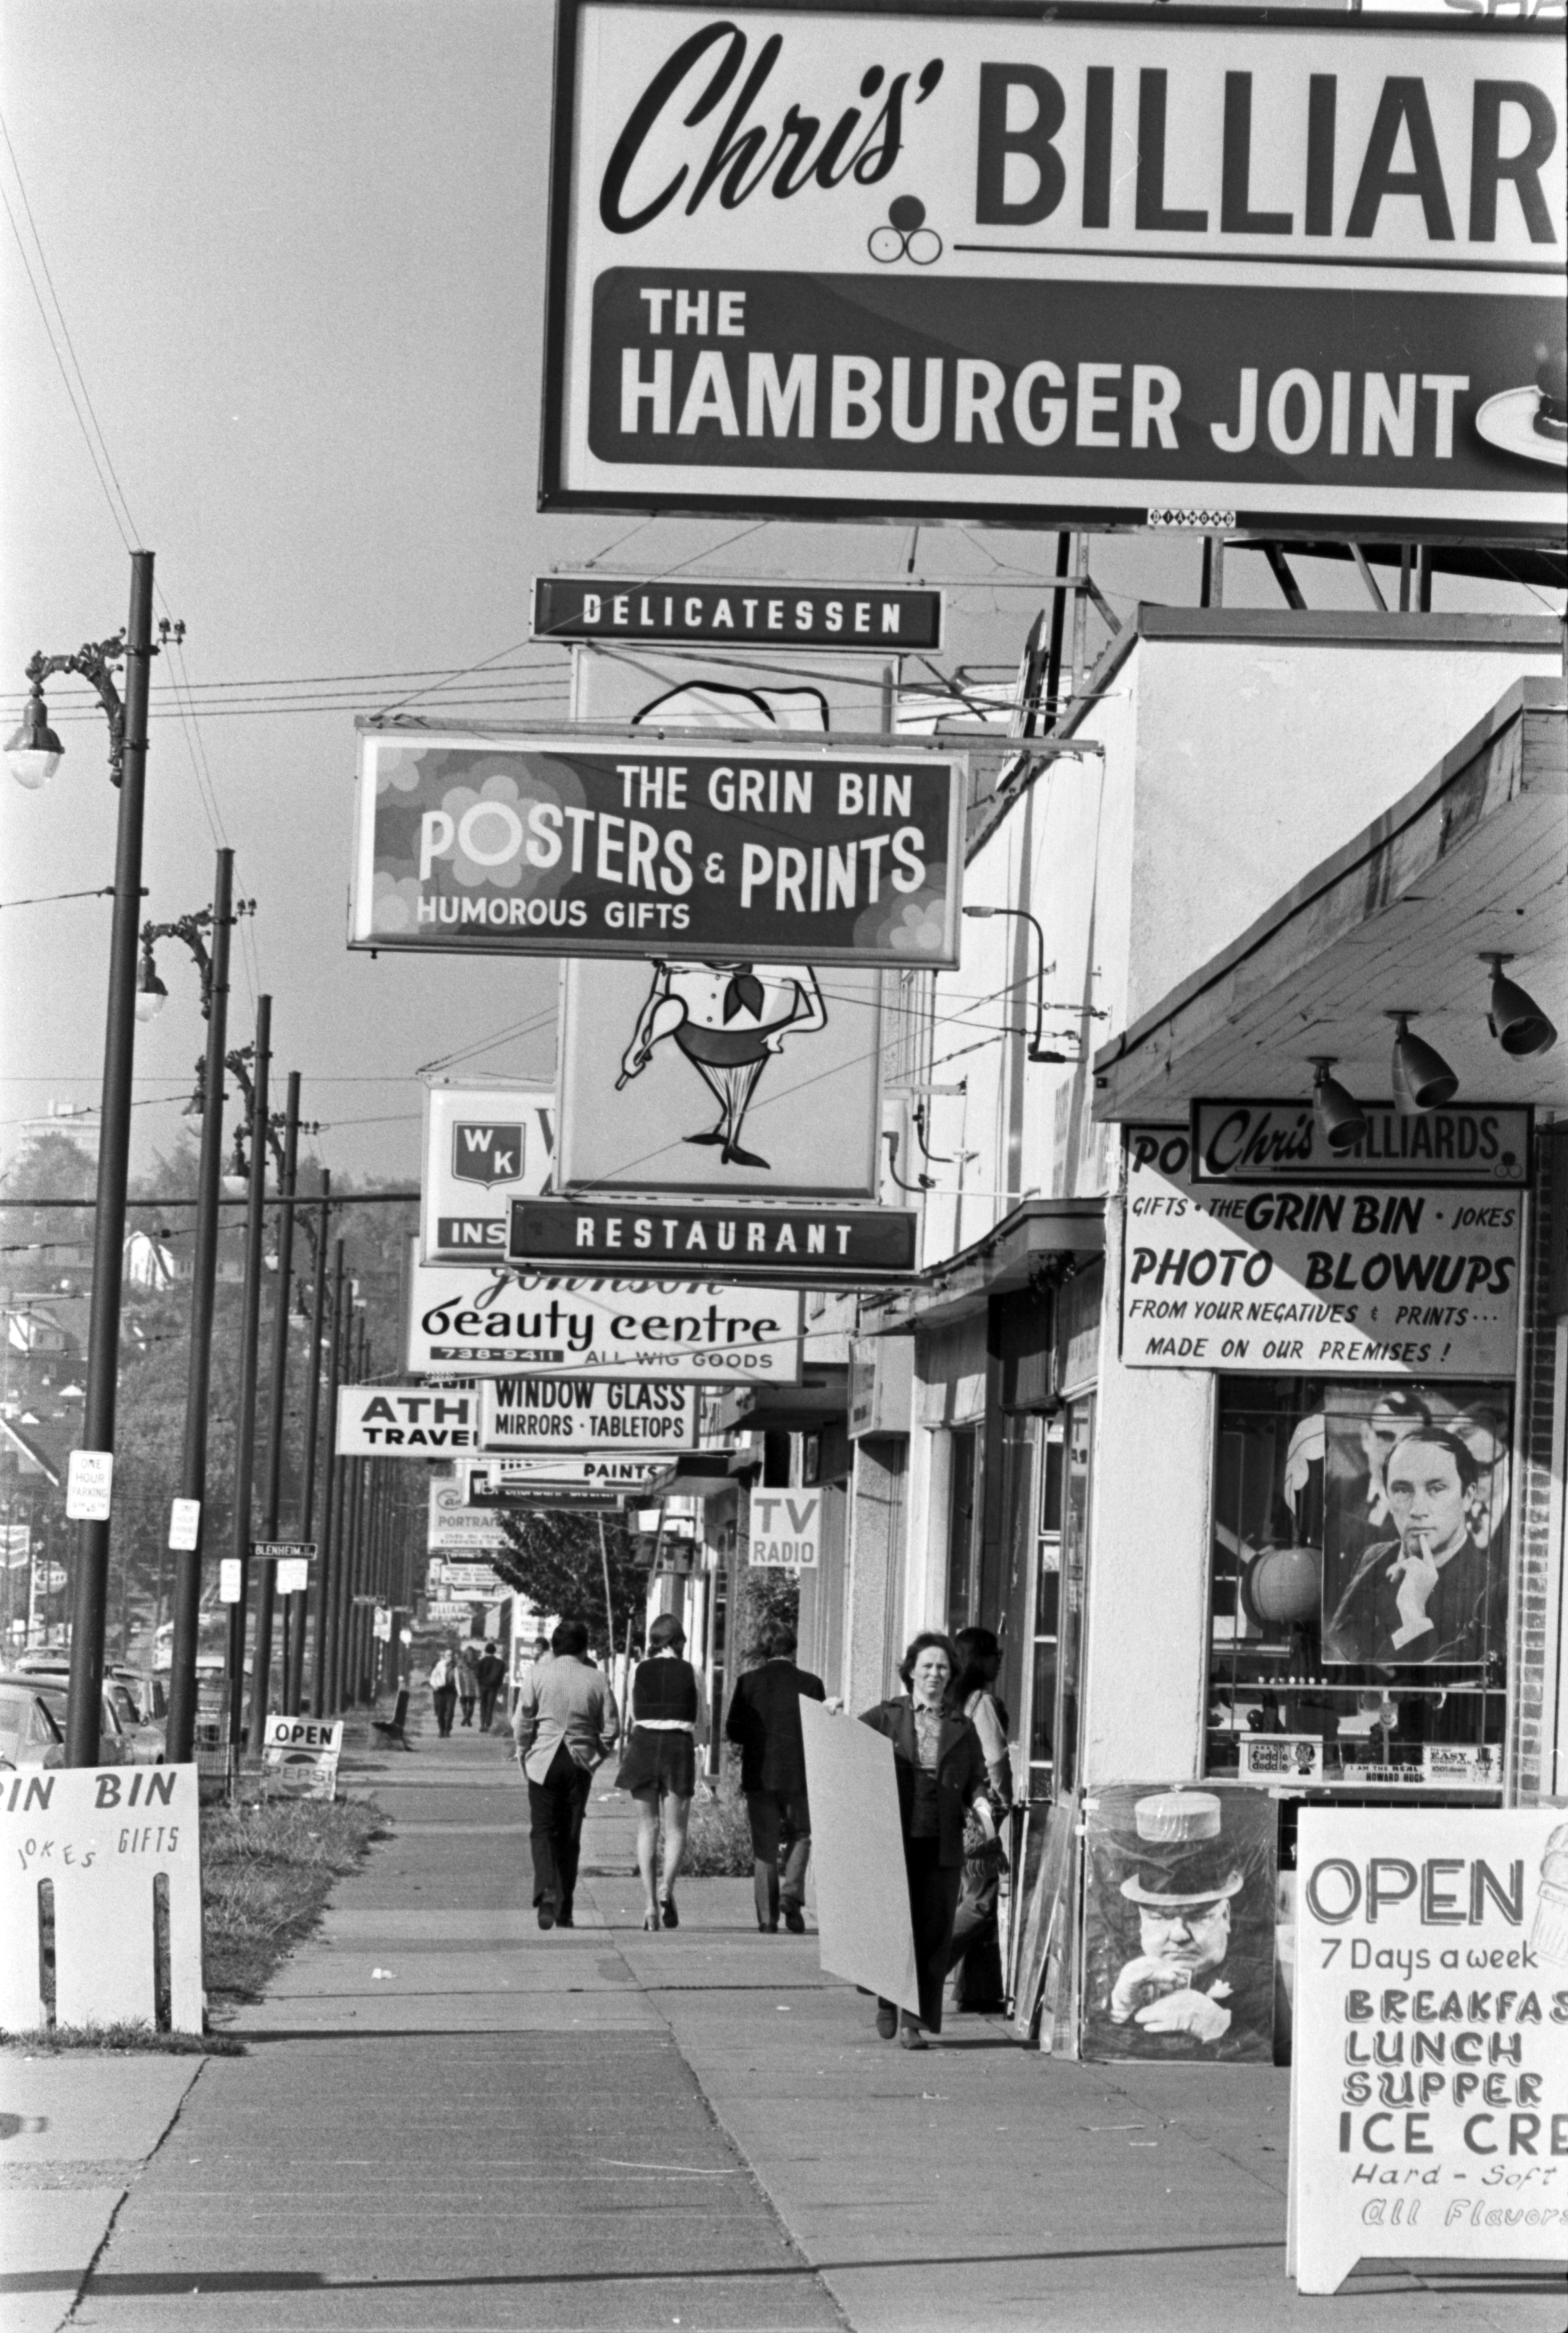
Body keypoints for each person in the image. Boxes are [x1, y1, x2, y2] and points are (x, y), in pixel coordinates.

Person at [859, 1632, 991, 2050]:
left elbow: (976, 1778)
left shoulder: (962, 1726)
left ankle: (914, 2022)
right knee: (895, 1926)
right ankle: (887, 1998)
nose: (935, 1674)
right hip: (894, 1836)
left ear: (951, 1675)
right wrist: (829, 1713)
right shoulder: (887, 1715)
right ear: (911, 1670)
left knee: (934, 1932)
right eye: (928, 1666)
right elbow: (843, 1743)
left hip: (942, 1840)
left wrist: (984, 1807)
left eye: (943, 1668)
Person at [1083, 1789, 1274, 2062]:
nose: (1179, 1935)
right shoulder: (1119, 1973)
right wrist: (1117, 2012)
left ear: (1226, 1917)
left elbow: (1290, 2056)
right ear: (1140, 1921)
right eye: (1159, 1918)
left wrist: (1219, 2027)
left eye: (1198, 1917)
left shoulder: (1259, 1982)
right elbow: (1096, 2054)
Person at [1324, 1427, 1504, 1666]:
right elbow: (1337, 1649)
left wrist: (1414, 1619)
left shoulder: (1492, 1593)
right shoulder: (1373, 1556)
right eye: (1402, 1490)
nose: (1417, 1509)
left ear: (1468, 1496)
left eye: (1436, 1489)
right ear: (1387, 1495)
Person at [512, 1617, 619, 1930]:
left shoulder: (537, 1675)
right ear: (585, 1649)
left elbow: (522, 1723)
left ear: (555, 1648)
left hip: (542, 1762)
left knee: (543, 1830)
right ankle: (565, 1910)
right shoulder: (598, 1679)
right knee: (570, 1837)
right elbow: (612, 1730)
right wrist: (595, 1760)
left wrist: (523, 1751)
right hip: (578, 1765)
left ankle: (546, 1887)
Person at [725, 1622, 825, 1933]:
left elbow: (734, 1731)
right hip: (799, 1774)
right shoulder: (811, 1684)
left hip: (760, 1775)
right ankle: (792, 1896)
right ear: (793, 1647)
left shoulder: (747, 1683)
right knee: (802, 1834)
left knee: (765, 1848)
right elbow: (820, 1731)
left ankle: (768, 1919)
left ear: (763, 1649)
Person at [616, 1612, 707, 1931]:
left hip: (643, 1744)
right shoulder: (693, 1671)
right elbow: (703, 1721)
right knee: (676, 1829)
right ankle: (667, 1887)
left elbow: (631, 1713)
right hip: (677, 1747)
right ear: (677, 1641)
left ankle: (650, 1906)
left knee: (647, 1827)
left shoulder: (638, 1670)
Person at [945, 1626, 1014, 2013]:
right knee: (980, 1902)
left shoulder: (952, 1700)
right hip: (980, 1812)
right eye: (994, 1653)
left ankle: (979, 1990)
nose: (1000, 1659)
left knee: (971, 1893)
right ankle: (925, 1967)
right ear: (979, 1660)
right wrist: (1002, 1799)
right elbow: (996, 1757)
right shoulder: (981, 1702)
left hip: (954, 1809)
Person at [475, 1640, 506, 1731]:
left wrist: (481, 1682)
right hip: (494, 1687)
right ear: (495, 1651)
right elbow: (502, 1676)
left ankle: (482, 1725)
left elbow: (477, 1674)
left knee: (483, 1705)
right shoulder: (501, 1663)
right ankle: (488, 1723)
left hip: (483, 1686)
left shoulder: (481, 1662)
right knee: (491, 1705)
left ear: (485, 1651)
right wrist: (498, 1685)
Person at [428, 1647, 458, 1738]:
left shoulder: (457, 1666)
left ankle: (447, 1730)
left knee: (450, 1711)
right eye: (449, 1655)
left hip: (452, 1691)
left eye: (452, 1655)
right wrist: (434, 1685)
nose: (451, 1657)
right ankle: (441, 1730)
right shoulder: (440, 1665)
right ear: (445, 1656)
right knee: (441, 1712)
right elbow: (433, 1676)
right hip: (441, 1691)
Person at [456, 1640, 480, 1727]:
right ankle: (468, 1719)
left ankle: (466, 1717)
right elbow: (479, 1674)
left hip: (464, 1685)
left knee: (464, 1702)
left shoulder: (461, 1662)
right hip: (472, 1685)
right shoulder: (477, 1663)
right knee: (471, 1703)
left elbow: (458, 1672)